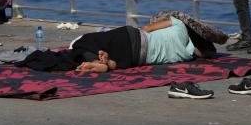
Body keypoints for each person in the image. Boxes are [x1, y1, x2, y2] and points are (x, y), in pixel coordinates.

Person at [71, 16, 204, 73]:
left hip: (133, 38)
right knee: (114, 57)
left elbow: (146, 28)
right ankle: (108, 63)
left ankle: (98, 60)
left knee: (85, 41)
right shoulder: (187, 55)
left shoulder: (179, 25)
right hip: (136, 59)